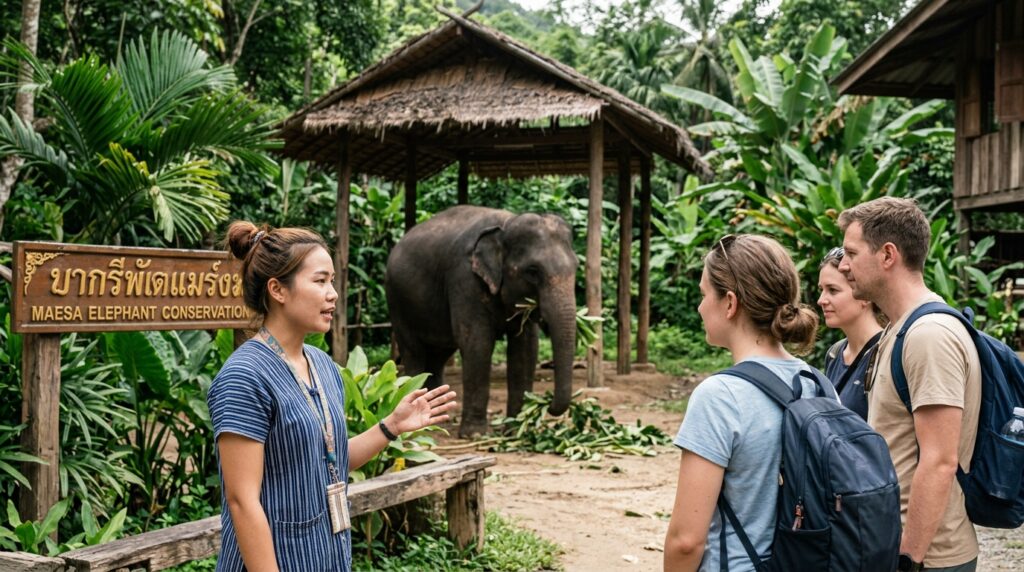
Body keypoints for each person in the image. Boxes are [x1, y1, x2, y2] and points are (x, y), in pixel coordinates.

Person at [207, 221, 457, 571]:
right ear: (278, 290)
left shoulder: (322, 365)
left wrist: (391, 426)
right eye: (320, 280)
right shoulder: (244, 377)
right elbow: (241, 501)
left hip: (326, 555)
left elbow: (329, 459)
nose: (333, 294)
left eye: (333, 282)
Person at [838, 197, 980, 572]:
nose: (843, 265)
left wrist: (909, 558)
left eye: (851, 252)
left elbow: (940, 460)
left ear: (888, 255)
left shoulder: (929, 335)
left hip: (926, 558)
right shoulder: (898, 330)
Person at [663, 234, 820, 571]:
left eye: (705, 294)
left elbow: (686, 541)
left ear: (730, 303)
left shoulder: (720, 397)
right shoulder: (817, 384)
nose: (700, 305)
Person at [817, 246, 884, 420]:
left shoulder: (885, 353)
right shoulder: (834, 353)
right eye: (821, 290)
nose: (821, 300)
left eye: (833, 290)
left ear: (864, 295)